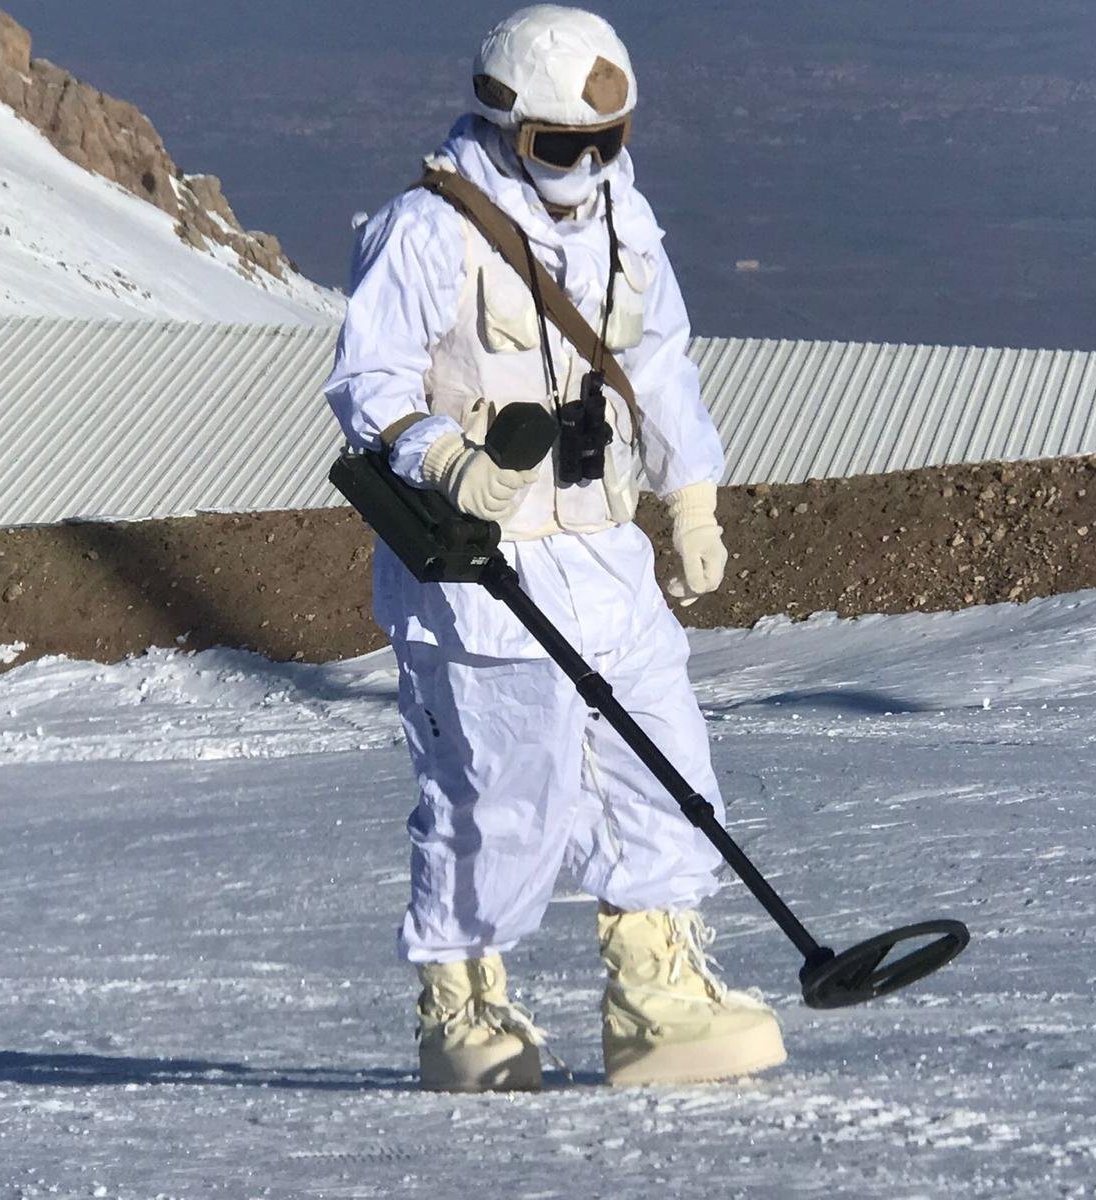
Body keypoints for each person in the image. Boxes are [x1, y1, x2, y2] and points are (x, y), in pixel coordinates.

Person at [324, 4, 785, 1091]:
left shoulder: (626, 221)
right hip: (483, 568)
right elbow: (368, 383)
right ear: (502, 125)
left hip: (604, 550)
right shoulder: (428, 229)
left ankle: (656, 994)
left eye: (604, 144)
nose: (583, 167)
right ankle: (463, 1009)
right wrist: (446, 463)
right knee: (498, 792)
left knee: (661, 762)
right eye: (557, 147)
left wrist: (692, 496)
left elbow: (661, 363)